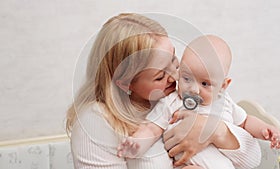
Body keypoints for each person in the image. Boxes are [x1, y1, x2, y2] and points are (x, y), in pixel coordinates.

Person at [66, 13, 261, 169]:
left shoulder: (185, 95)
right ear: (125, 83)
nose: (176, 77)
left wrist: (216, 131)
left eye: (174, 60)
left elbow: (254, 160)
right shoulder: (96, 122)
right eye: (160, 76)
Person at [117, 35, 280, 169]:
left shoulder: (223, 102)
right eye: (187, 78)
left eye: (205, 84)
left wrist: (264, 130)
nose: (194, 90)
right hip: (188, 164)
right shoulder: (171, 101)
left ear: (223, 85)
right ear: (180, 71)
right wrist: (137, 143)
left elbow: (245, 121)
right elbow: (152, 128)